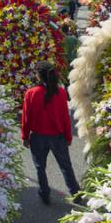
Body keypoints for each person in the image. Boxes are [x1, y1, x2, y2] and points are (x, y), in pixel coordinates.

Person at [21, 61, 82, 205]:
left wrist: (25, 135)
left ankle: (45, 193)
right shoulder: (60, 92)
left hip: (38, 136)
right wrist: (68, 136)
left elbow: (26, 117)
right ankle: (75, 192)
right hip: (57, 136)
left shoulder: (31, 93)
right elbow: (65, 117)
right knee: (66, 166)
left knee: (39, 167)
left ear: (38, 75)